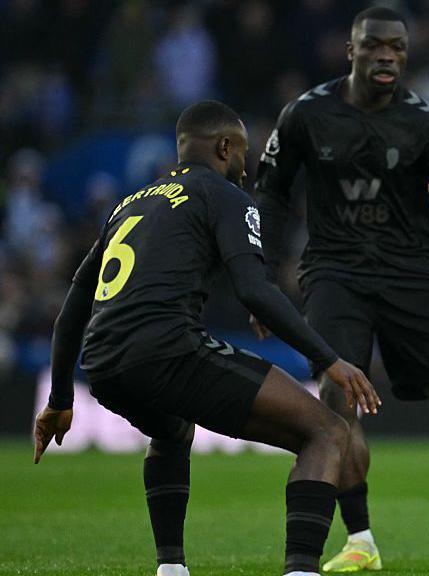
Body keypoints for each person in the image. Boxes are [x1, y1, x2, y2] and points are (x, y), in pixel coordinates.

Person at [33, 100, 382, 576]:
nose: (246, 163)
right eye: (242, 151)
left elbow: (72, 310)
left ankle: (171, 569)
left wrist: (58, 397)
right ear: (224, 147)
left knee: (173, 429)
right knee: (326, 431)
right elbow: (254, 290)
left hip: (105, 363)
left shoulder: (131, 202)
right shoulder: (224, 194)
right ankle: (302, 570)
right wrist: (330, 359)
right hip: (168, 348)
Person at [253, 6, 429, 573]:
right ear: (351, 51)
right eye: (374, 46)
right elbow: (272, 193)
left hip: (413, 280)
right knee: (334, 400)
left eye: (397, 48)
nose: (386, 57)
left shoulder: (424, 124)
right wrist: (259, 273)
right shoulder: (306, 114)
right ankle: (361, 540)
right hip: (334, 274)